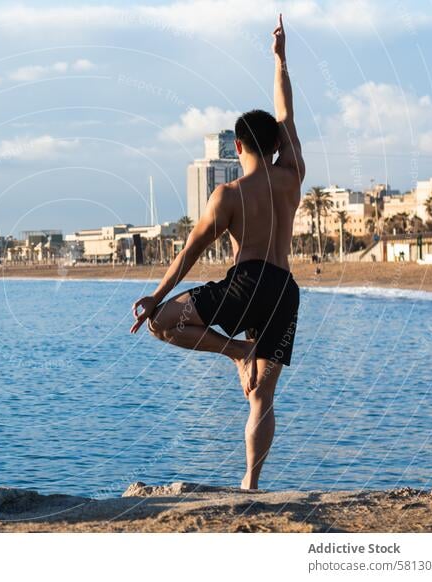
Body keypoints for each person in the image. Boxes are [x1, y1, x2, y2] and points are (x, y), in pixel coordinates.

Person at [130, 14, 304, 491]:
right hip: (285, 290)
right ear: (275, 144)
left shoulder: (227, 195)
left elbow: (188, 252)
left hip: (247, 283)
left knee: (165, 324)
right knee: (262, 398)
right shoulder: (292, 176)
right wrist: (280, 60)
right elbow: (286, 114)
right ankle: (251, 484)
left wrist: (154, 298)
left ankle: (236, 351)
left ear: (239, 144)